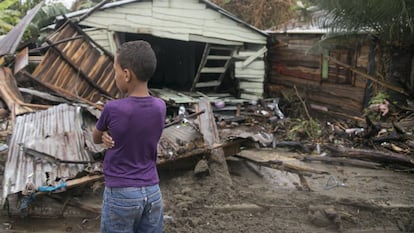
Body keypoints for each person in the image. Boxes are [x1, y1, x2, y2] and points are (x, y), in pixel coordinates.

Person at [93, 40, 166, 233]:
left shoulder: (113, 108)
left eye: (115, 71)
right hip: (152, 192)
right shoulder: (160, 107)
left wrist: (104, 135)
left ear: (126, 74)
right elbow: (139, 132)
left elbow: (95, 137)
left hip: (121, 193)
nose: (115, 76)